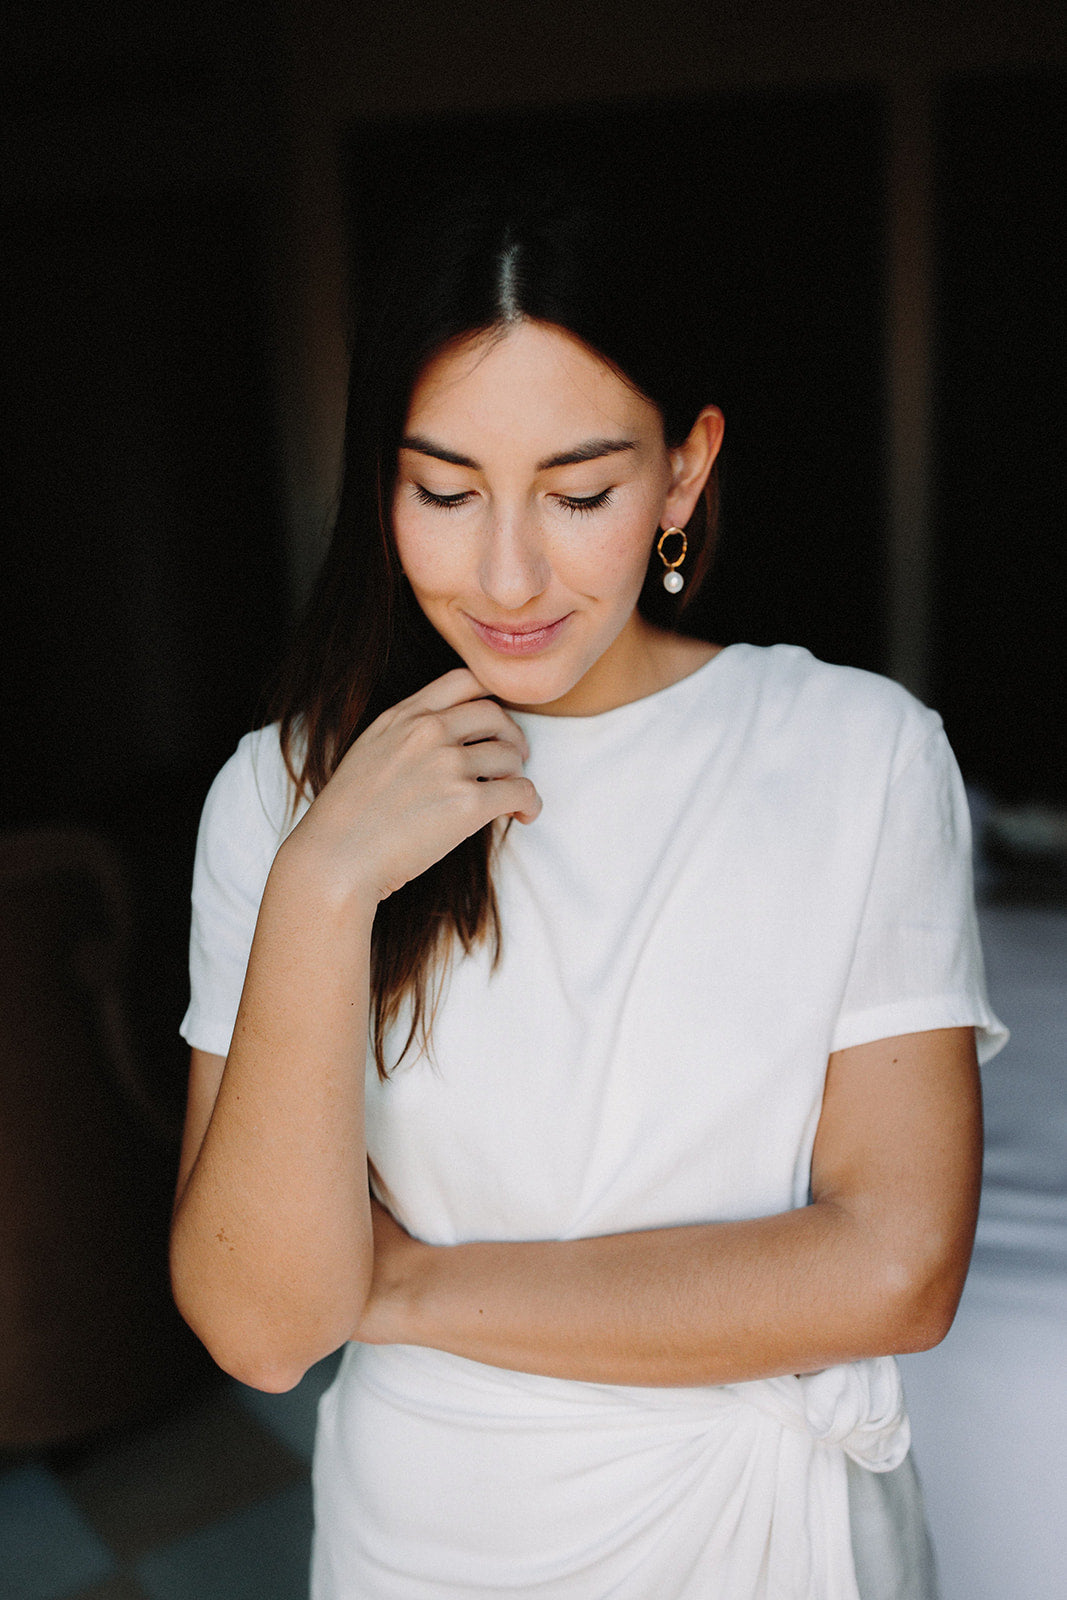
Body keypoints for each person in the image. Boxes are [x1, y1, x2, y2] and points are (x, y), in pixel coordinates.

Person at [170, 160, 1007, 1599]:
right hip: (433, 1538)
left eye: (580, 491)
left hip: (774, 1537)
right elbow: (262, 1327)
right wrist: (322, 886)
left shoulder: (857, 752)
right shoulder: (282, 797)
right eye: (444, 488)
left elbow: (894, 1273)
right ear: (381, 480)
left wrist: (409, 1283)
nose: (506, 574)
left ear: (684, 469)